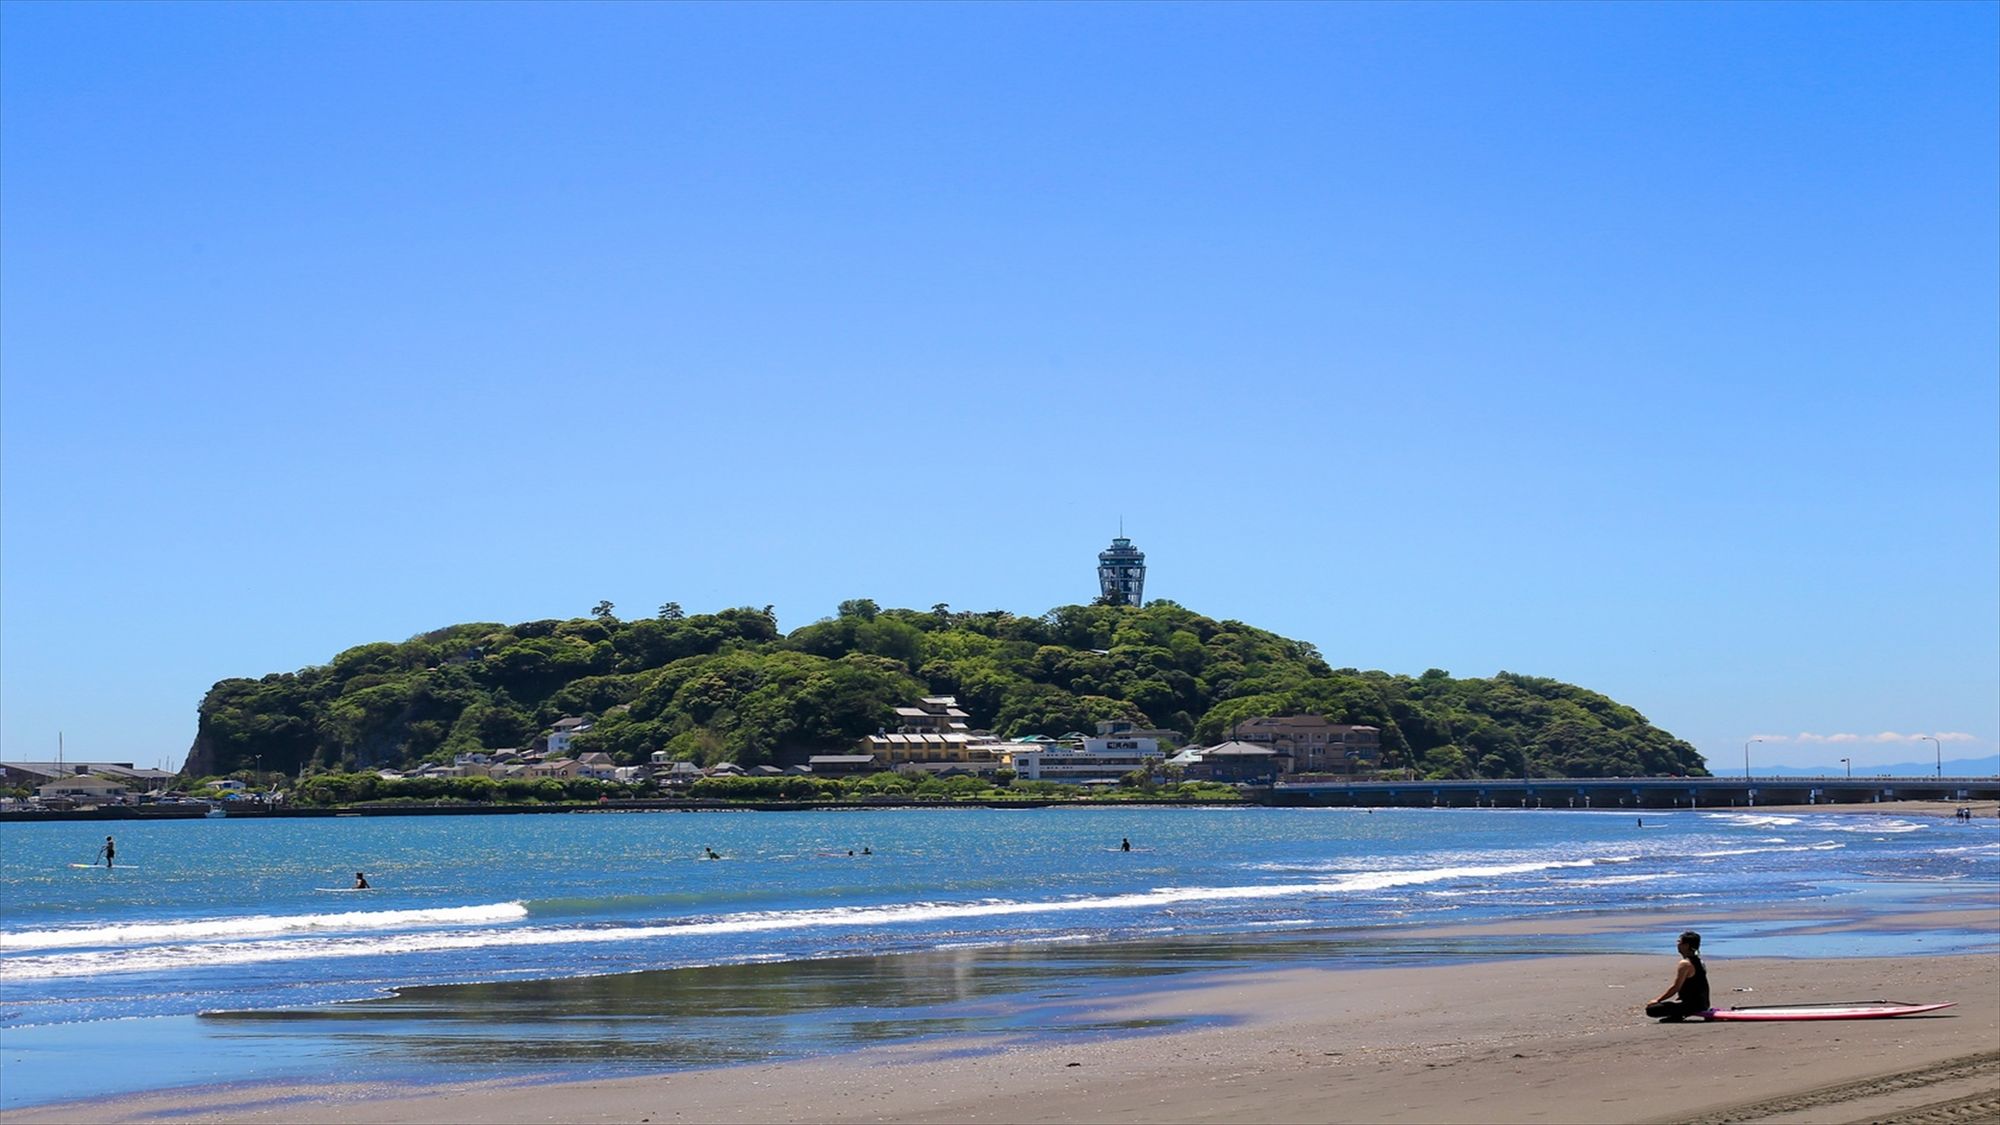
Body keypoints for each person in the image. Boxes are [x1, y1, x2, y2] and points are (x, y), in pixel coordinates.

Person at [1644, 931, 1711, 1021]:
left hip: (1692, 1006)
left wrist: (1657, 1000)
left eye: (1679, 942)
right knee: (1673, 1004)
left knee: (1651, 1009)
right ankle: (1678, 1014)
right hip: (1704, 1003)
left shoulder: (1685, 964)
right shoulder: (1700, 961)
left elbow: (1676, 987)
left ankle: (1678, 1015)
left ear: (1686, 945)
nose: (1677, 945)